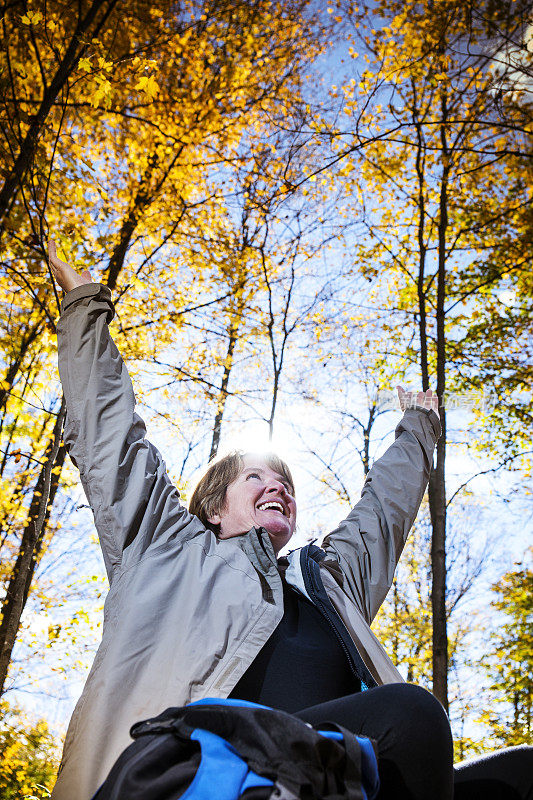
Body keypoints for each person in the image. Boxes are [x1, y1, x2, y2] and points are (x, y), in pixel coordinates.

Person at [47, 242, 532, 800]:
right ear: (212, 505)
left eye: (285, 484)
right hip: (191, 775)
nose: (276, 485)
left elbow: (384, 512)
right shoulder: (163, 546)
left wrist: (421, 426)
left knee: (520, 776)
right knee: (411, 714)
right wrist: (84, 307)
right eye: (255, 477)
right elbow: (113, 440)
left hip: (328, 777)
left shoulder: (328, 582)